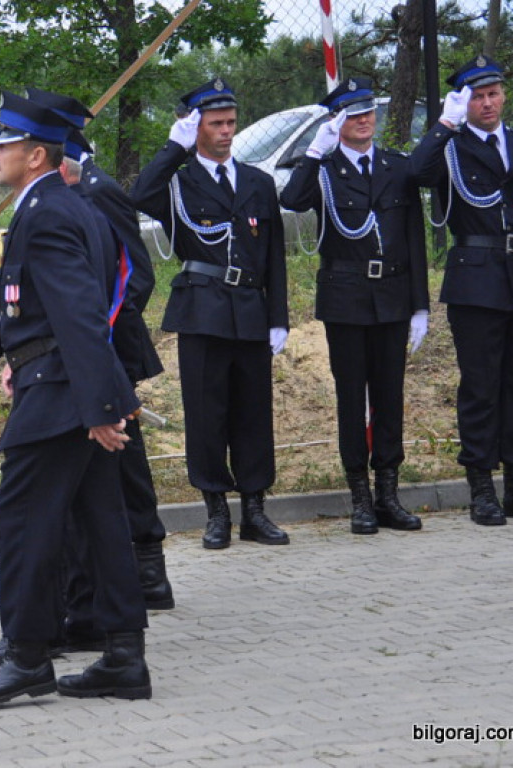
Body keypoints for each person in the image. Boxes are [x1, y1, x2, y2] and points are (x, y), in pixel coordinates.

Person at [0, 91, 151, 706]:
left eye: (2, 144)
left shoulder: (48, 214)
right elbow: (21, 302)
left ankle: (29, 657)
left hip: (58, 393)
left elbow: (81, 317)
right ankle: (123, 657)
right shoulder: (64, 206)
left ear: (35, 155)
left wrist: (100, 408)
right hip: (69, 388)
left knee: (22, 519)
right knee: (100, 520)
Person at [24, 88, 173, 611]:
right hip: (83, 348)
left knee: (123, 463)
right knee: (97, 466)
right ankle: (97, 584)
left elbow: (135, 276)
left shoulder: (97, 190)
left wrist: (92, 336)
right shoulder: (61, 191)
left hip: (106, 347)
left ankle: (149, 571)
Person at [131, 77, 291, 549]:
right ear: (195, 126)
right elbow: (139, 196)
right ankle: (216, 511)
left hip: (251, 309)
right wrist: (172, 149)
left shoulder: (259, 183)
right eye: (216, 123)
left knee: (253, 414)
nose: (226, 131)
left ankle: (255, 511)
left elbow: (275, 253)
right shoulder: (179, 183)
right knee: (207, 414)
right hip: (202, 310)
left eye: (231, 123)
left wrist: (278, 316)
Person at [280, 77, 428, 535]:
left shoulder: (396, 167)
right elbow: (291, 198)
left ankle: (388, 493)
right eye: (351, 114)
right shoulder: (322, 169)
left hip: (393, 298)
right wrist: (313, 152)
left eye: (367, 112)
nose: (363, 120)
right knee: (352, 399)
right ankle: (359, 496)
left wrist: (420, 305)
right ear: (335, 121)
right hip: (345, 299)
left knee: (390, 397)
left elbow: (415, 239)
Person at [409, 55, 513, 527]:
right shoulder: (450, 147)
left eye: (493, 93)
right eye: (477, 96)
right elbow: (415, 174)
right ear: (464, 101)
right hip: (477, 278)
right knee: (481, 386)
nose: (487, 103)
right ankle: (480, 488)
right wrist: (444, 124)